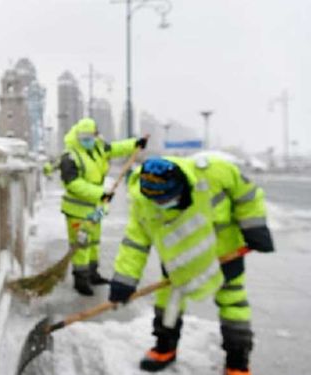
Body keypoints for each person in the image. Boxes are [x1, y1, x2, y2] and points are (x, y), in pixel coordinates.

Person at [108, 156, 274, 375]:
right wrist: (123, 280)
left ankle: (237, 362)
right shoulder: (142, 201)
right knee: (167, 304)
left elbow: (247, 194)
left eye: (166, 199)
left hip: (225, 255)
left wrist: (254, 226)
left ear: (181, 185)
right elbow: (135, 243)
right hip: (178, 262)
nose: (160, 204)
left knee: (234, 304)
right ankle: (164, 348)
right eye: (156, 201)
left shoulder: (215, 172)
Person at [59, 118, 147, 296]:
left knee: (93, 242)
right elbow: (73, 184)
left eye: (90, 137)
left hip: (96, 209)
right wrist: (100, 193)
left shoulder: (98, 147)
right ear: (76, 136)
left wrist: (135, 143)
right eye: (83, 137)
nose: (87, 141)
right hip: (77, 210)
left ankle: (93, 273)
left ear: (96, 135)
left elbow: (115, 148)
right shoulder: (70, 156)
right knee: (81, 244)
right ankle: (80, 280)